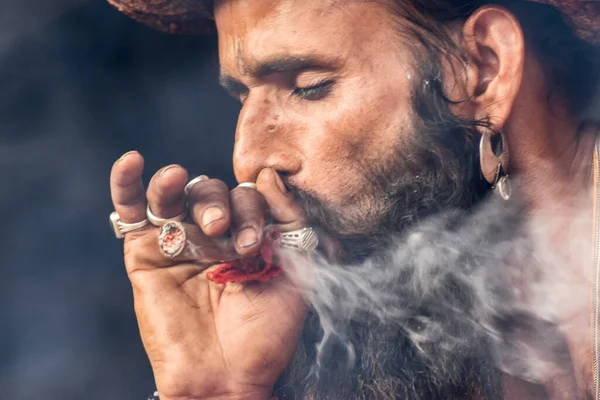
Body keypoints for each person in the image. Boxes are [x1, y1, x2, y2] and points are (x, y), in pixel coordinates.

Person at [107, 0, 600, 399]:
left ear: (483, 67)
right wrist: (222, 393)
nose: (247, 159)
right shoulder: (440, 309)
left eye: (308, 88)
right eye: (243, 98)